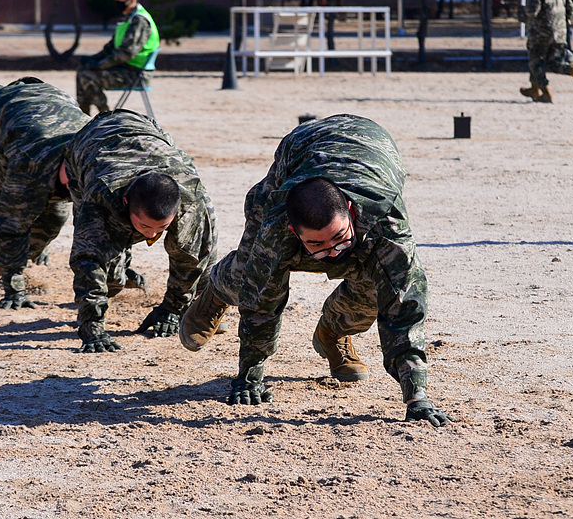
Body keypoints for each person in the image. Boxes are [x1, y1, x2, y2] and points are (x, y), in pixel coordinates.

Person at [179, 114, 453, 427]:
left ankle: (333, 332)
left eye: (339, 238)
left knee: (377, 288)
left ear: (350, 212)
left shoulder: (385, 223)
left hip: (370, 146)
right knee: (252, 270)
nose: (332, 252)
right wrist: (249, 376)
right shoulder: (277, 224)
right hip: (298, 152)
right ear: (294, 232)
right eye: (318, 245)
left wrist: (416, 397)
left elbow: (404, 307)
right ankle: (215, 291)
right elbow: (261, 302)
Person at [0, 79, 148, 308]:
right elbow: (10, 226)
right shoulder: (31, 163)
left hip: (46, 123)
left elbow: (102, 225)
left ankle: (3, 268)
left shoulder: (92, 167)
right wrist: (14, 289)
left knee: (54, 220)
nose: (76, 192)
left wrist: (117, 269)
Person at [57, 109, 217, 353]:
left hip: (146, 131)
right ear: (125, 204)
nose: (152, 235)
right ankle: (118, 272)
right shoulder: (101, 196)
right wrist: (92, 329)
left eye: (161, 227)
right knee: (107, 266)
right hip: (90, 142)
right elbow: (87, 261)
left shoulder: (191, 199)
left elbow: (192, 259)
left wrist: (172, 309)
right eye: (144, 226)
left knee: (195, 248)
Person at [76, 0, 160, 115]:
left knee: (88, 76)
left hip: (136, 73)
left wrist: (100, 65)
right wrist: (92, 59)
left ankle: (104, 116)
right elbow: (110, 48)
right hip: (124, 68)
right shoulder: (127, 19)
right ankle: (83, 115)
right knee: (82, 70)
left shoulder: (139, 20)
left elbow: (126, 53)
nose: (116, 0)